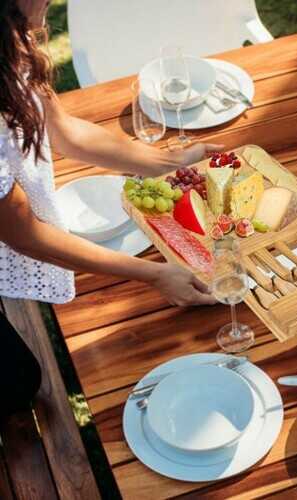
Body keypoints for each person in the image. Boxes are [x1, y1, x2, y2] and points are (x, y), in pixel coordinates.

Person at [0, 0, 219, 416]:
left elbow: (67, 134)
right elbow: (24, 234)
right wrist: (155, 274)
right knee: (17, 387)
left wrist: (172, 162)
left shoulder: (11, 40)